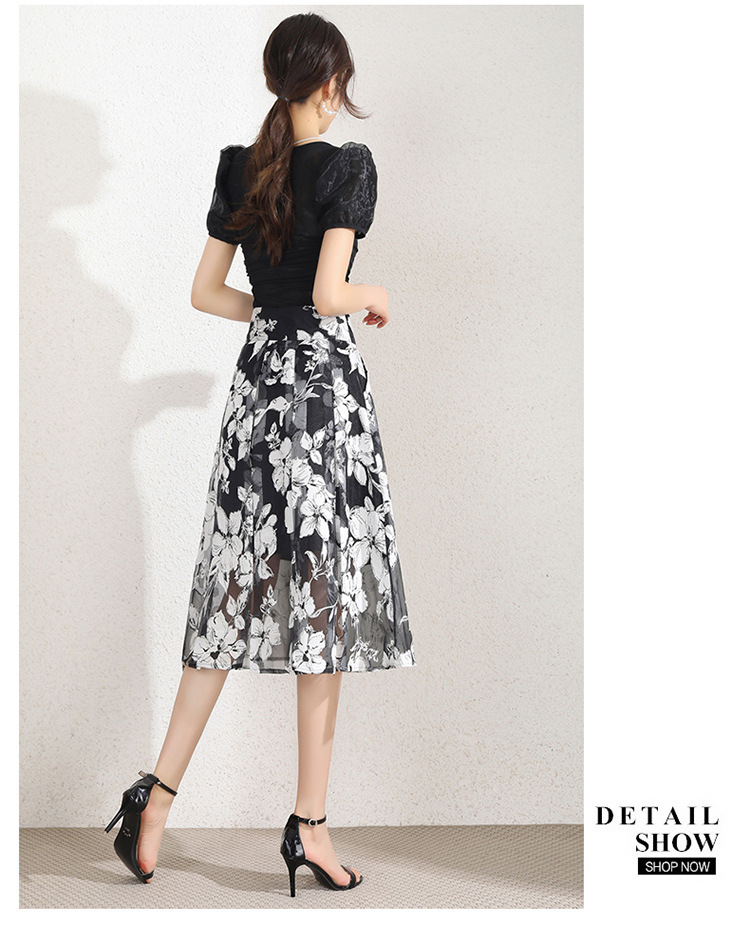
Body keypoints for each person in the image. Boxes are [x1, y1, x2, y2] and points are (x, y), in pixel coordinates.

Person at [104, 12, 416, 898]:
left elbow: (207, 293)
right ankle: (309, 824)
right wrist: (374, 292)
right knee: (323, 604)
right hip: (321, 403)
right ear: (332, 83)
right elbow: (330, 293)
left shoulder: (240, 167)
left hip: (256, 395)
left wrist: (273, 315)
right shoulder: (347, 167)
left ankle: (155, 794)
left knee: (230, 594)